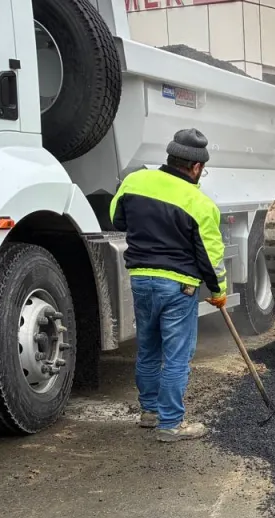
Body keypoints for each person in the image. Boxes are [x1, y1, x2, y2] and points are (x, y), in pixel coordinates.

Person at [110, 128, 227, 441]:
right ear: (196, 167)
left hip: (141, 280)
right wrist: (218, 292)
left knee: (148, 349)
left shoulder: (134, 181)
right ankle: (171, 423)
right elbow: (211, 257)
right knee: (176, 356)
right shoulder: (199, 203)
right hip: (178, 287)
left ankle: (149, 413)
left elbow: (117, 219)